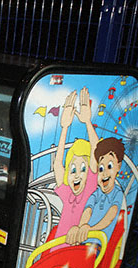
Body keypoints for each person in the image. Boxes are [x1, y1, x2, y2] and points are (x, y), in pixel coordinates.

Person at [52, 87, 99, 248]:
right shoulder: (67, 193)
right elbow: (58, 165)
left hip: (75, 254)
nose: (77, 175)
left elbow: (96, 151)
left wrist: (87, 122)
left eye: (83, 169)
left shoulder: (90, 188)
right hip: (56, 252)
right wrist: (64, 127)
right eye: (72, 170)